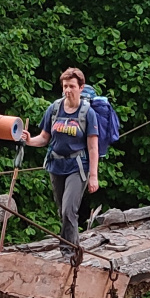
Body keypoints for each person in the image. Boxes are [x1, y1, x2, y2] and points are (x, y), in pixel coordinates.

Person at [26, 67, 100, 258]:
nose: (68, 90)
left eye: (72, 86)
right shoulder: (54, 109)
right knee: (63, 212)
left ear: (81, 87)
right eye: (65, 86)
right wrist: (28, 140)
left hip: (78, 166)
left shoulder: (87, 113)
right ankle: (74, 249)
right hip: (56, 165)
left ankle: (69, 253)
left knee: (69, 210)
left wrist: (93, 176)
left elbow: (93, 147)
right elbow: (44, 138)